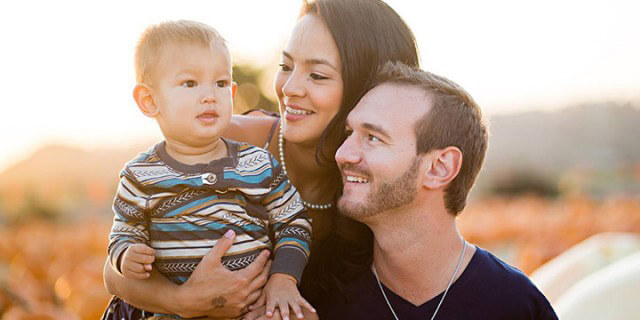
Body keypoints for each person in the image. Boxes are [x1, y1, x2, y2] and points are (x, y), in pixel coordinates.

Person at [103, 0, 420, 319]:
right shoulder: (222, 142)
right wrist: (185, 301)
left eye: (318, 76)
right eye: (285, 67)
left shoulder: (382, 187)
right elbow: (114, 272)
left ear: (369, 91)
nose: (291, 87)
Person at [103, 20, 314, 320]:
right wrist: (126, 255)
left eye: (221, 83)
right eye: (190, 83)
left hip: (255, 308)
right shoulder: (141, 176)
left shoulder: (257, 164)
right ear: (150, 101)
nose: (210, 95)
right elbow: (124, 231)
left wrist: (283, 278)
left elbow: (294, 221)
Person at [321, 61, 558, 319]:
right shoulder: (320, 299)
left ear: (439, 168)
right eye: (349, 133)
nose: (342, 154)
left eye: (373, 137)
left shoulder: (516, 306)